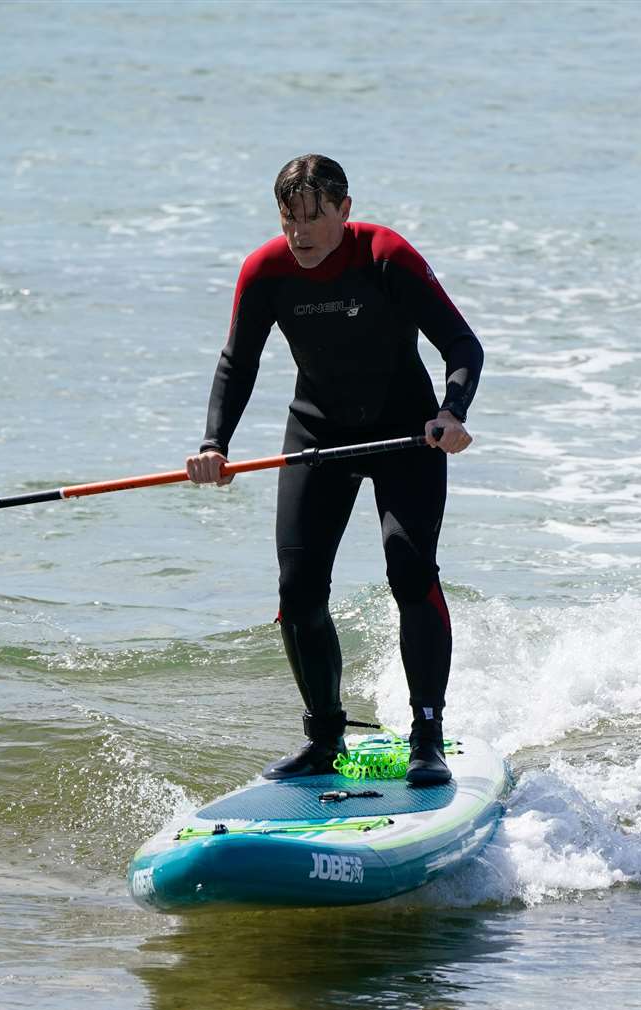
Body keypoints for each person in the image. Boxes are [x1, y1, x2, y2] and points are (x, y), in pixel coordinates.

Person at [186, 154, 483, 787]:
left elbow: (462, 343)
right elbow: (237, 364)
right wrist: (215, 444)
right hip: (316, 436)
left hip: (407, 436)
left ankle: (426, 736)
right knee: (297, 590)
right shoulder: (265, 270)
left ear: (344, 211)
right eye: (289, 218)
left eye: (314, 218)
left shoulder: (385, 256)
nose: (300, 234)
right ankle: (324, 739)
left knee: (409, 569)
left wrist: (450, 412)